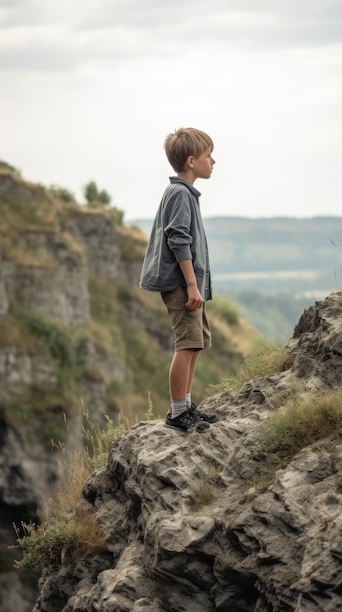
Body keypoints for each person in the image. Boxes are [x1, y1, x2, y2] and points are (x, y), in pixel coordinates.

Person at [139, 127, 219, 432]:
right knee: (185, 344)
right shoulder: (180, 193)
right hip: (181, 284)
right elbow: (178, 239)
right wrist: (191, 285)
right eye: (208, 156)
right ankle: (176, 413)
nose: (213, 161)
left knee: (195, 343)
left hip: (188, 284)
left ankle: (186, 406)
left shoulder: (185, 193)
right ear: (190, 160)